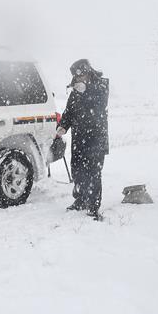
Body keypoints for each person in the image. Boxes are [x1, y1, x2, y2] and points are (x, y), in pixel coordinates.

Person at [56, 59, 109, 220]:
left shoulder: (100, 87)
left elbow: (98, 108)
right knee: (78, 169)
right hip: (79, 137)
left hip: (95, 138)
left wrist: (86, 92)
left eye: (81, 75)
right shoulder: (76, 91)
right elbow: (69, 111)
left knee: (93, 172)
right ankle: (80, 199)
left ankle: (93, 206)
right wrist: (63, 125)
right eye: (76, 77)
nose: (79, 79)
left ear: (88, 72)